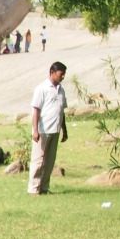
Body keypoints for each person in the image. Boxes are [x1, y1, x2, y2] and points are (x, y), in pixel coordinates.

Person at [28, 62, 68, 195]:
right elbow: (36, 110)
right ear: (52, 72)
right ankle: (33, 189)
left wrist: (64, 130)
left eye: (63, 75)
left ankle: (44, 188)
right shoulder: (42, 88)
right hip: (43, 130)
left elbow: (61, 111)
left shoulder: (61, 90)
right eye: (61, 74)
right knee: (38, 160)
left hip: (55, 130)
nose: (62, 77)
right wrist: (35, 130)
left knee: (50, 161)